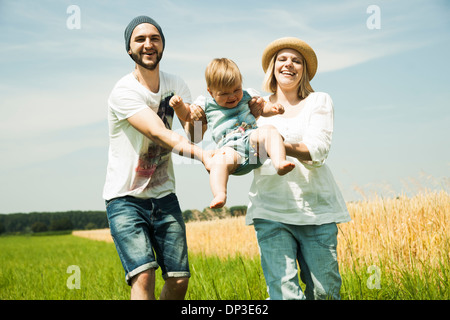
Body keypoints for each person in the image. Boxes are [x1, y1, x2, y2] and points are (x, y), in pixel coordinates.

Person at [102, 16, 213, 300]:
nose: (148, 45)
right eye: (140, 40)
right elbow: (160, 134)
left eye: (155, 38)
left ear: (162, 45)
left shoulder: (175, 83)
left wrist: (198, 119)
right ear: (129, 49)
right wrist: (203, 157)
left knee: (179, 280)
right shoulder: (124, 91)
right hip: (125, 199)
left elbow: (194, 134)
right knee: (144, 275)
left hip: (164, 197)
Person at [246, 37, 351, 300]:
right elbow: (244, 154)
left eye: (296, 60)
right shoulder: (254, 108)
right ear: (272, 67)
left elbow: (318, 149)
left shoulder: (319, 101)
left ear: (304, 69)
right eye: (282, 59)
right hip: (270, 210)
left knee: (325, 293)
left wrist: (279, 143)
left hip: (315, 210)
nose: (288, 64)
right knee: (284, 295)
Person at [170, 58, 295, 209]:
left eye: (236, 90)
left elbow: (263, 108)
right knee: (218, 160)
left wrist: (273, 109)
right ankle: (220, 193)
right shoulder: (205, 104)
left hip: (252, 139)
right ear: (210, 91)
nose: (232, 97)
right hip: (230, 149)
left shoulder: (248, 96)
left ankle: (279, 162)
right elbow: (188, 116)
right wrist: (179, 107)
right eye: (224, 93)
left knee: (268, 130)